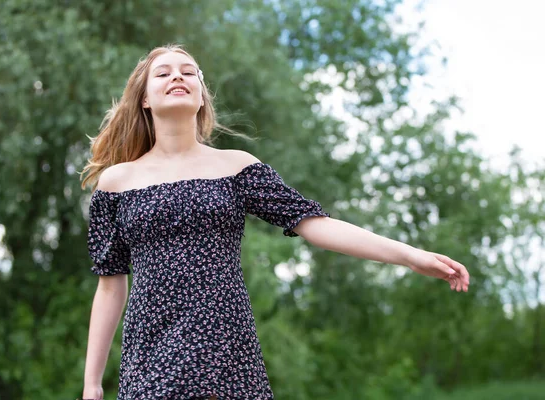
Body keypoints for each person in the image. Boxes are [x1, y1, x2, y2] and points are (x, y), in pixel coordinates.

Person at [79, 44, 470, 400]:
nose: (178, 76)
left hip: (224, 345)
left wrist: (411, 256)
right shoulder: (116, 183)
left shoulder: (237, 168)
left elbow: (315, 224)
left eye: (189, 71)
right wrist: (92, 383)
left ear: (201, 96)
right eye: (163, 73)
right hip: (150, 350)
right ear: (145, 98)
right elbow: (111, 287)